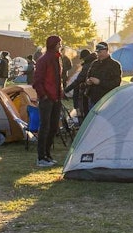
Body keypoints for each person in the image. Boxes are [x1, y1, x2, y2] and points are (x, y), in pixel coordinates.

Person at [33, 35, 64, 167]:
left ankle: (47, 154)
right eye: (59, 43)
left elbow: (57, 79)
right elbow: (37, 80)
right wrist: (43, 95)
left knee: (53, 127)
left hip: (56, 97)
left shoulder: (57, 58)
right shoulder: (44, 60)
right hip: (47, 98)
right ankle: (41, 157)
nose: (60, 45)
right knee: (45, 127)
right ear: (54, 44)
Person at [86, 42, 123, 108]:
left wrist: (99, 82)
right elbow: (88, 76)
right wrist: (88, 81)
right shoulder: (94, 63)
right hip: (93, 99)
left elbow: (116, 83)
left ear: (106, 51)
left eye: (100, 52)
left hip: (107, 99)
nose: (98, 54)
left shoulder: (115, 65)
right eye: (97, 52)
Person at [65, 49, 93, 117]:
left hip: (87, 92)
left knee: (86, 112)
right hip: (90, 92)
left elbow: (79, 80)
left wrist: (66, 90)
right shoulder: (93, 62)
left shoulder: (87, 66)